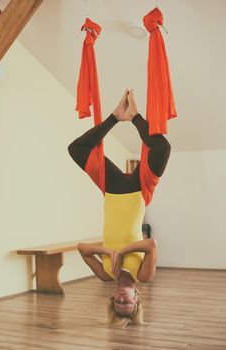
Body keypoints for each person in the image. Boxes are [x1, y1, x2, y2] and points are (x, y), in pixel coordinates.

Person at [68, 90, 171, 326]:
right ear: (137, 298)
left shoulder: (106, 275)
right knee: (162, 149)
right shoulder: (143, 276)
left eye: (118, 303)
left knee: (76, 149)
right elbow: (151, 244)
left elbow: (82, 248)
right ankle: (134, 116)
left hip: (112, 190)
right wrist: (122, 252)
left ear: (113, 297)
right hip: (138, 190)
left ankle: (115, 116)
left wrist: (107, 253)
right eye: (128, 303)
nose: (123, 300)